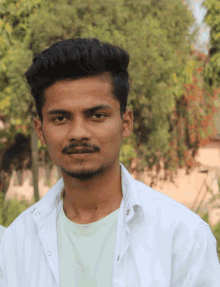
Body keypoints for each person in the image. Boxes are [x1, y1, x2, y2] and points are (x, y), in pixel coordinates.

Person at [0, 37, 219, 287]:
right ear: (40, 130)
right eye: (60, 118)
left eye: (96, 115)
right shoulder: (16, 243)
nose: (78, 132)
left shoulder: (182, 237)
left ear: (126, 123)